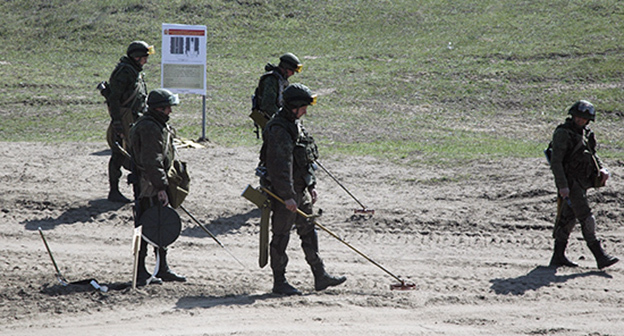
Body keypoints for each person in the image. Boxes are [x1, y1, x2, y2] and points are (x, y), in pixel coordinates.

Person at [261, 83, 346, 295]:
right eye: (304, 107)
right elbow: (281, 167)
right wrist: (288, 197)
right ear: (294, 107)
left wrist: (311, 185)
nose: (306, 111)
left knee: (309, 230)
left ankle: (320, 275)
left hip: (300, 190)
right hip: (284, 194)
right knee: (281, 236)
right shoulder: (279, 129)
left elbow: (305, 158)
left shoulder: (295, 125)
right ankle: (279, 282)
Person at [548, 100, 618, 269]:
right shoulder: (564, 133)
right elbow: (556, 162)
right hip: (571, 183)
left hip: (582, 182)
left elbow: (592, 155)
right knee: (586, 217)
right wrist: (562, 186)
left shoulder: (586, 133)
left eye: (584, 118)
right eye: (578, 117)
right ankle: (600, 256)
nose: (580, 120)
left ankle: (558, 256)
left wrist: (602, 169)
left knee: (568, 218)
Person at [129, 88, 186, 286]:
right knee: (148, 225)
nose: (170, 111)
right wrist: (161, 187)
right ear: (159, 109)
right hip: (149, 185)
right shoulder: (149, 128)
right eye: (168, 107)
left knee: (160, 224)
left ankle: (162, 267)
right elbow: (152, 161)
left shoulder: (156, 125)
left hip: (154, 181)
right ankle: (140, 270)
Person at [106, 41, 154, 203]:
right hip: (125, 118)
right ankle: (114, 191)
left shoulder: (133, 71)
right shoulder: (124, 73)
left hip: (135, 118)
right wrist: (117, 123)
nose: (146, 61)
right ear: (136, 57)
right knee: (120, 153)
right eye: (144, 58)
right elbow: (114, 99)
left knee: (137, 153)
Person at [251, 52, 303, 135]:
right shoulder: (271, 80)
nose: (293, 74)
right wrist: (281, 120)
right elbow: (268, 105)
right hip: (267, 119)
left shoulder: (280, 79)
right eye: (291, 70)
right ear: (285, 68)